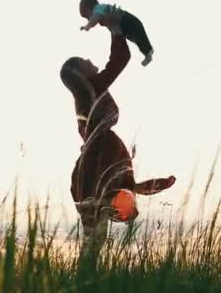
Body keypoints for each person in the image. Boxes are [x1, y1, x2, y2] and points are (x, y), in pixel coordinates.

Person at [59, 33, 175, 252]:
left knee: (94, 244)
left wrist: (155, 184)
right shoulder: (91, 94)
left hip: (90, 178)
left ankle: (87, 280)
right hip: (90, 177)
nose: (92, 61)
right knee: (94, 244)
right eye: (86, 62)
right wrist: (116, 31)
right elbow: (120, 60)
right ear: (81, 73)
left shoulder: (92, 113)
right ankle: (87, 279)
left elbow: (128, 187)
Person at [79, 0, 155, 66]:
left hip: (127, 20)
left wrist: (88, 26)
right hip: (123, 27)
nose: (88, 19)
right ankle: (147, 52)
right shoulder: (104, 16)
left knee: (139, 36)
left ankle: (148, 51)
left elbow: (95, 18)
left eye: (86, 15)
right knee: (137, 39)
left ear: (90, 7)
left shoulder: (98, 8)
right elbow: (112, 29)